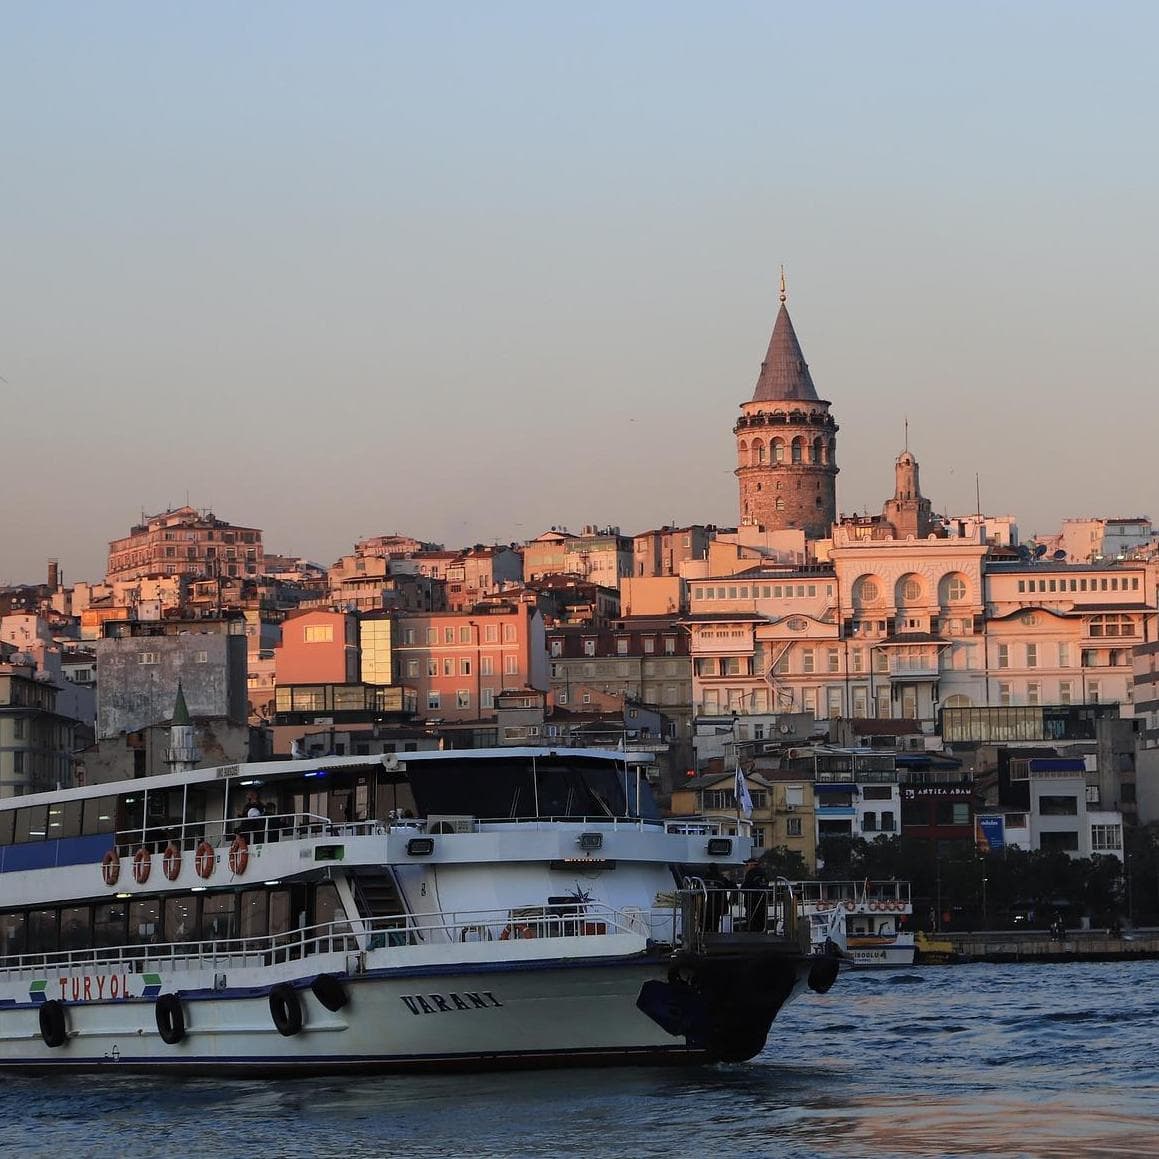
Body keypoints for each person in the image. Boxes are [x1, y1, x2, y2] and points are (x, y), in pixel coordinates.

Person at [741, 857, 770, 933]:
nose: (746, 867)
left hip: (752, 902)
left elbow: (744, 888)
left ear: (752, 865)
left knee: (752, 924)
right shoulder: (763, 874)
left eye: (747, 865)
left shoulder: (751, 874)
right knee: (761, 922)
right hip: (763, 903)